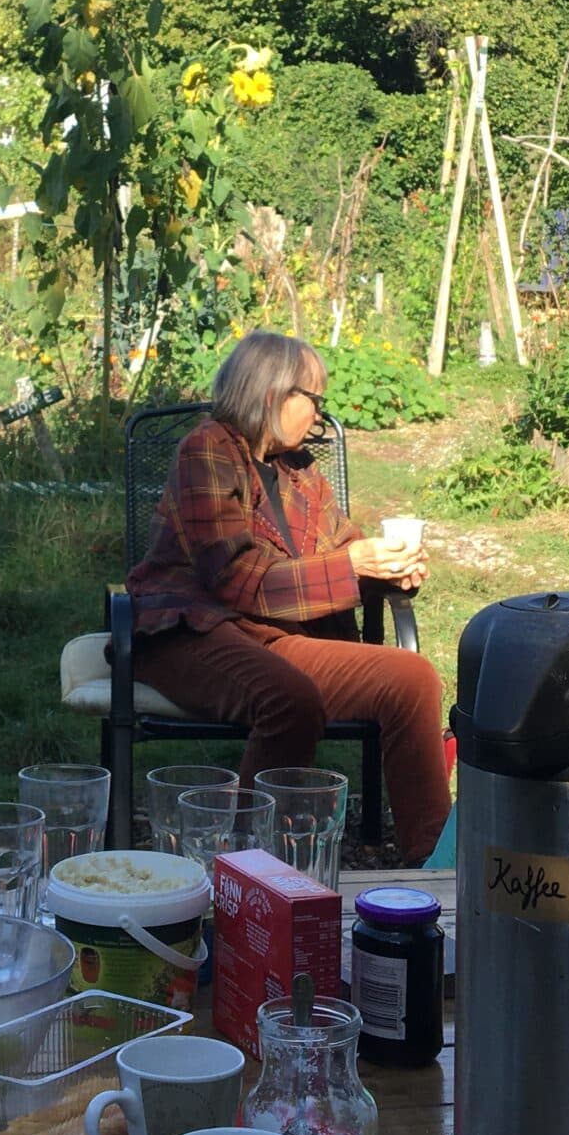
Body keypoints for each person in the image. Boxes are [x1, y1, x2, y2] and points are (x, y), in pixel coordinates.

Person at [124, 330, 448, 861]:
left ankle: (433, 867)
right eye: (314, 401)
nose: (319, 417)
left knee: (412, 678)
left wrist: (388, 567)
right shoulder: (205, 451)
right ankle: (247, 867)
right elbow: (236, 578)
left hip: (274, 636)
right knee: (289, 698)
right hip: (192, 631)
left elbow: (343, 548)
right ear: (274, 395)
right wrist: (350, 565)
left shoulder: (300, 472)